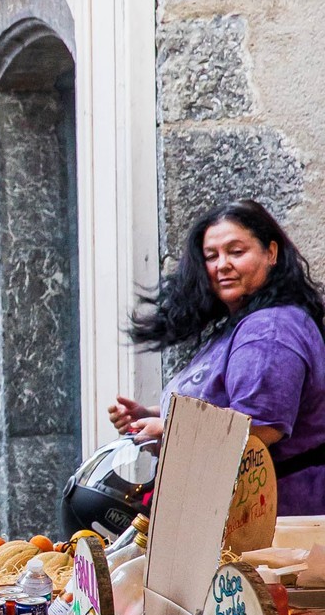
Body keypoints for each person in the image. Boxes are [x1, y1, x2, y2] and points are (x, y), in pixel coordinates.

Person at [113, 200, 325, 513]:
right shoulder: (244, 323)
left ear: (271, 253)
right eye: (211, 256)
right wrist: (154, 413)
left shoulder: (269, 330)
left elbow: (260, 428)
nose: (221, 265)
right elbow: (228, 401)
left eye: (236, 252)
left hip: (279, 529)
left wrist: (170, 429)